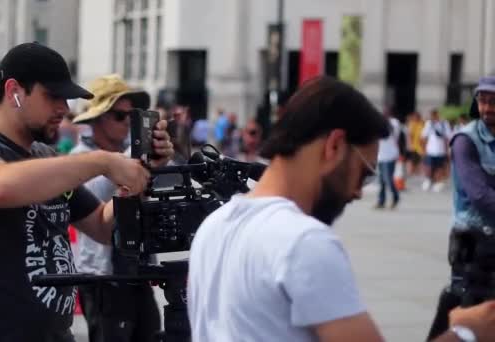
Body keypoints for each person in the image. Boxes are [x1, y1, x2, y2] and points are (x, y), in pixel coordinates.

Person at [187, 76, 495, 342]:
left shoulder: (213, 227)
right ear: (334, 145)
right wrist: (467, 333)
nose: (358, 192)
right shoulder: (302, 242)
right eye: (364, 173)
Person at [0, 43, 173, 342]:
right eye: (53, 96)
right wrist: (101, 161)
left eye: (66, 98)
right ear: (14, 91)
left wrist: (141, 172)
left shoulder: (45, 156)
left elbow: (101, 225)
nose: (64, 108)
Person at [69, 74, 170, 342]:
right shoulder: (79, 159)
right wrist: (140, 159)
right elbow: (95, 201)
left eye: (131, 116)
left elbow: (168, 180)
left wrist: (159, 153)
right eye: (119, 116)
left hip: (138, 268)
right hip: (103, 277)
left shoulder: (130, 154)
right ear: (98, 118)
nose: (127, 123)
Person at [427, 75, 495, 339]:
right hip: (474, 241)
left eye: (493, 102)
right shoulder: (465, 140)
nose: (487, 108)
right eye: (483, 101)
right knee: (467, 311)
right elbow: (479, 194)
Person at [421, 109, 452, 192]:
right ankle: (429, 180)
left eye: (435, 115)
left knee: (439, 168)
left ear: (438, 115)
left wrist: (448, 150)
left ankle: (438, 182)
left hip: (441, 150)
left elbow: (448, 138)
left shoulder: (444, 124)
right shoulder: (428, 124)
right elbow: (424, 137)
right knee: (429, 167)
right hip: (430, 150)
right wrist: (423, 150)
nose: (433, 117)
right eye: (432, 115)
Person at [376, 109, 401, 209]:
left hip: (390, 155)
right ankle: (381, 201)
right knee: (381, 180)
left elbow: (393, 133)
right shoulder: (378, 123)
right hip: (380, 156)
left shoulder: (394, 123)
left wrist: (386, 122)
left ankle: (395, 197)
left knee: (388, 179)